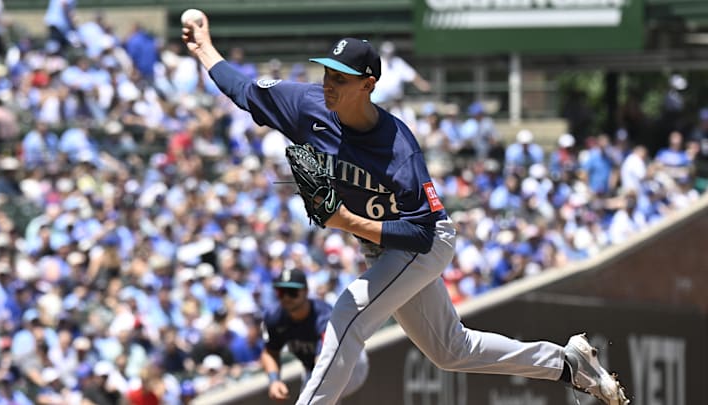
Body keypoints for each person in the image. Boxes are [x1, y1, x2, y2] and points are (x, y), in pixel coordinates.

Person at [182, 16, 629, 405]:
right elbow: (242, 89)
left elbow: (420, 233)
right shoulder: (306, 105)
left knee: (348, 314)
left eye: (341, 77)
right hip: (383, 249)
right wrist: (204, 48)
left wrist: (348, 222)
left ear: (368, 84)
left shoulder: (399, 148)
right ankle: (567, 364)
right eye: (327, 73)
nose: (329, 83)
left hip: (424, 243)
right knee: (451, 350)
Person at [260, 268, 368, 402]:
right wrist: (274, 381)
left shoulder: (324, 316)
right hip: (314, 367)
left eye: (292, 292)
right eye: (281, 292)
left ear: (305, 291)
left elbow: (326, 363)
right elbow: (269, 352)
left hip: (350, 362)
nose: (286, 297)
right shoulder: (274, 317)